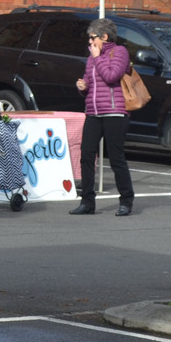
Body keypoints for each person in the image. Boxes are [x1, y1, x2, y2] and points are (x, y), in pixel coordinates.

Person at [69, 18, 135, 217]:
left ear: (104, 37)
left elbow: (111, 77)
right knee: (86, 155)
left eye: (93, 38)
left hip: (115, 112)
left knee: (116, 158)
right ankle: (87, 201)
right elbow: (90, 80)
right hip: (94, 112)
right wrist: (83, 86)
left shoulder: (119, 52)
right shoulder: (92, 57)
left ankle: (126, 200)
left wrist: (97, 58)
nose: (90, 42)